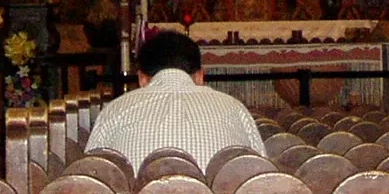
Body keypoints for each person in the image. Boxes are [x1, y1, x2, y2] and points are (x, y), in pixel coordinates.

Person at [84, 31, 264, 170]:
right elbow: (261, 175)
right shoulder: (234, 109)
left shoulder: (115, 111)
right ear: (200, 76)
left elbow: (90, 175)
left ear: (142, 79)